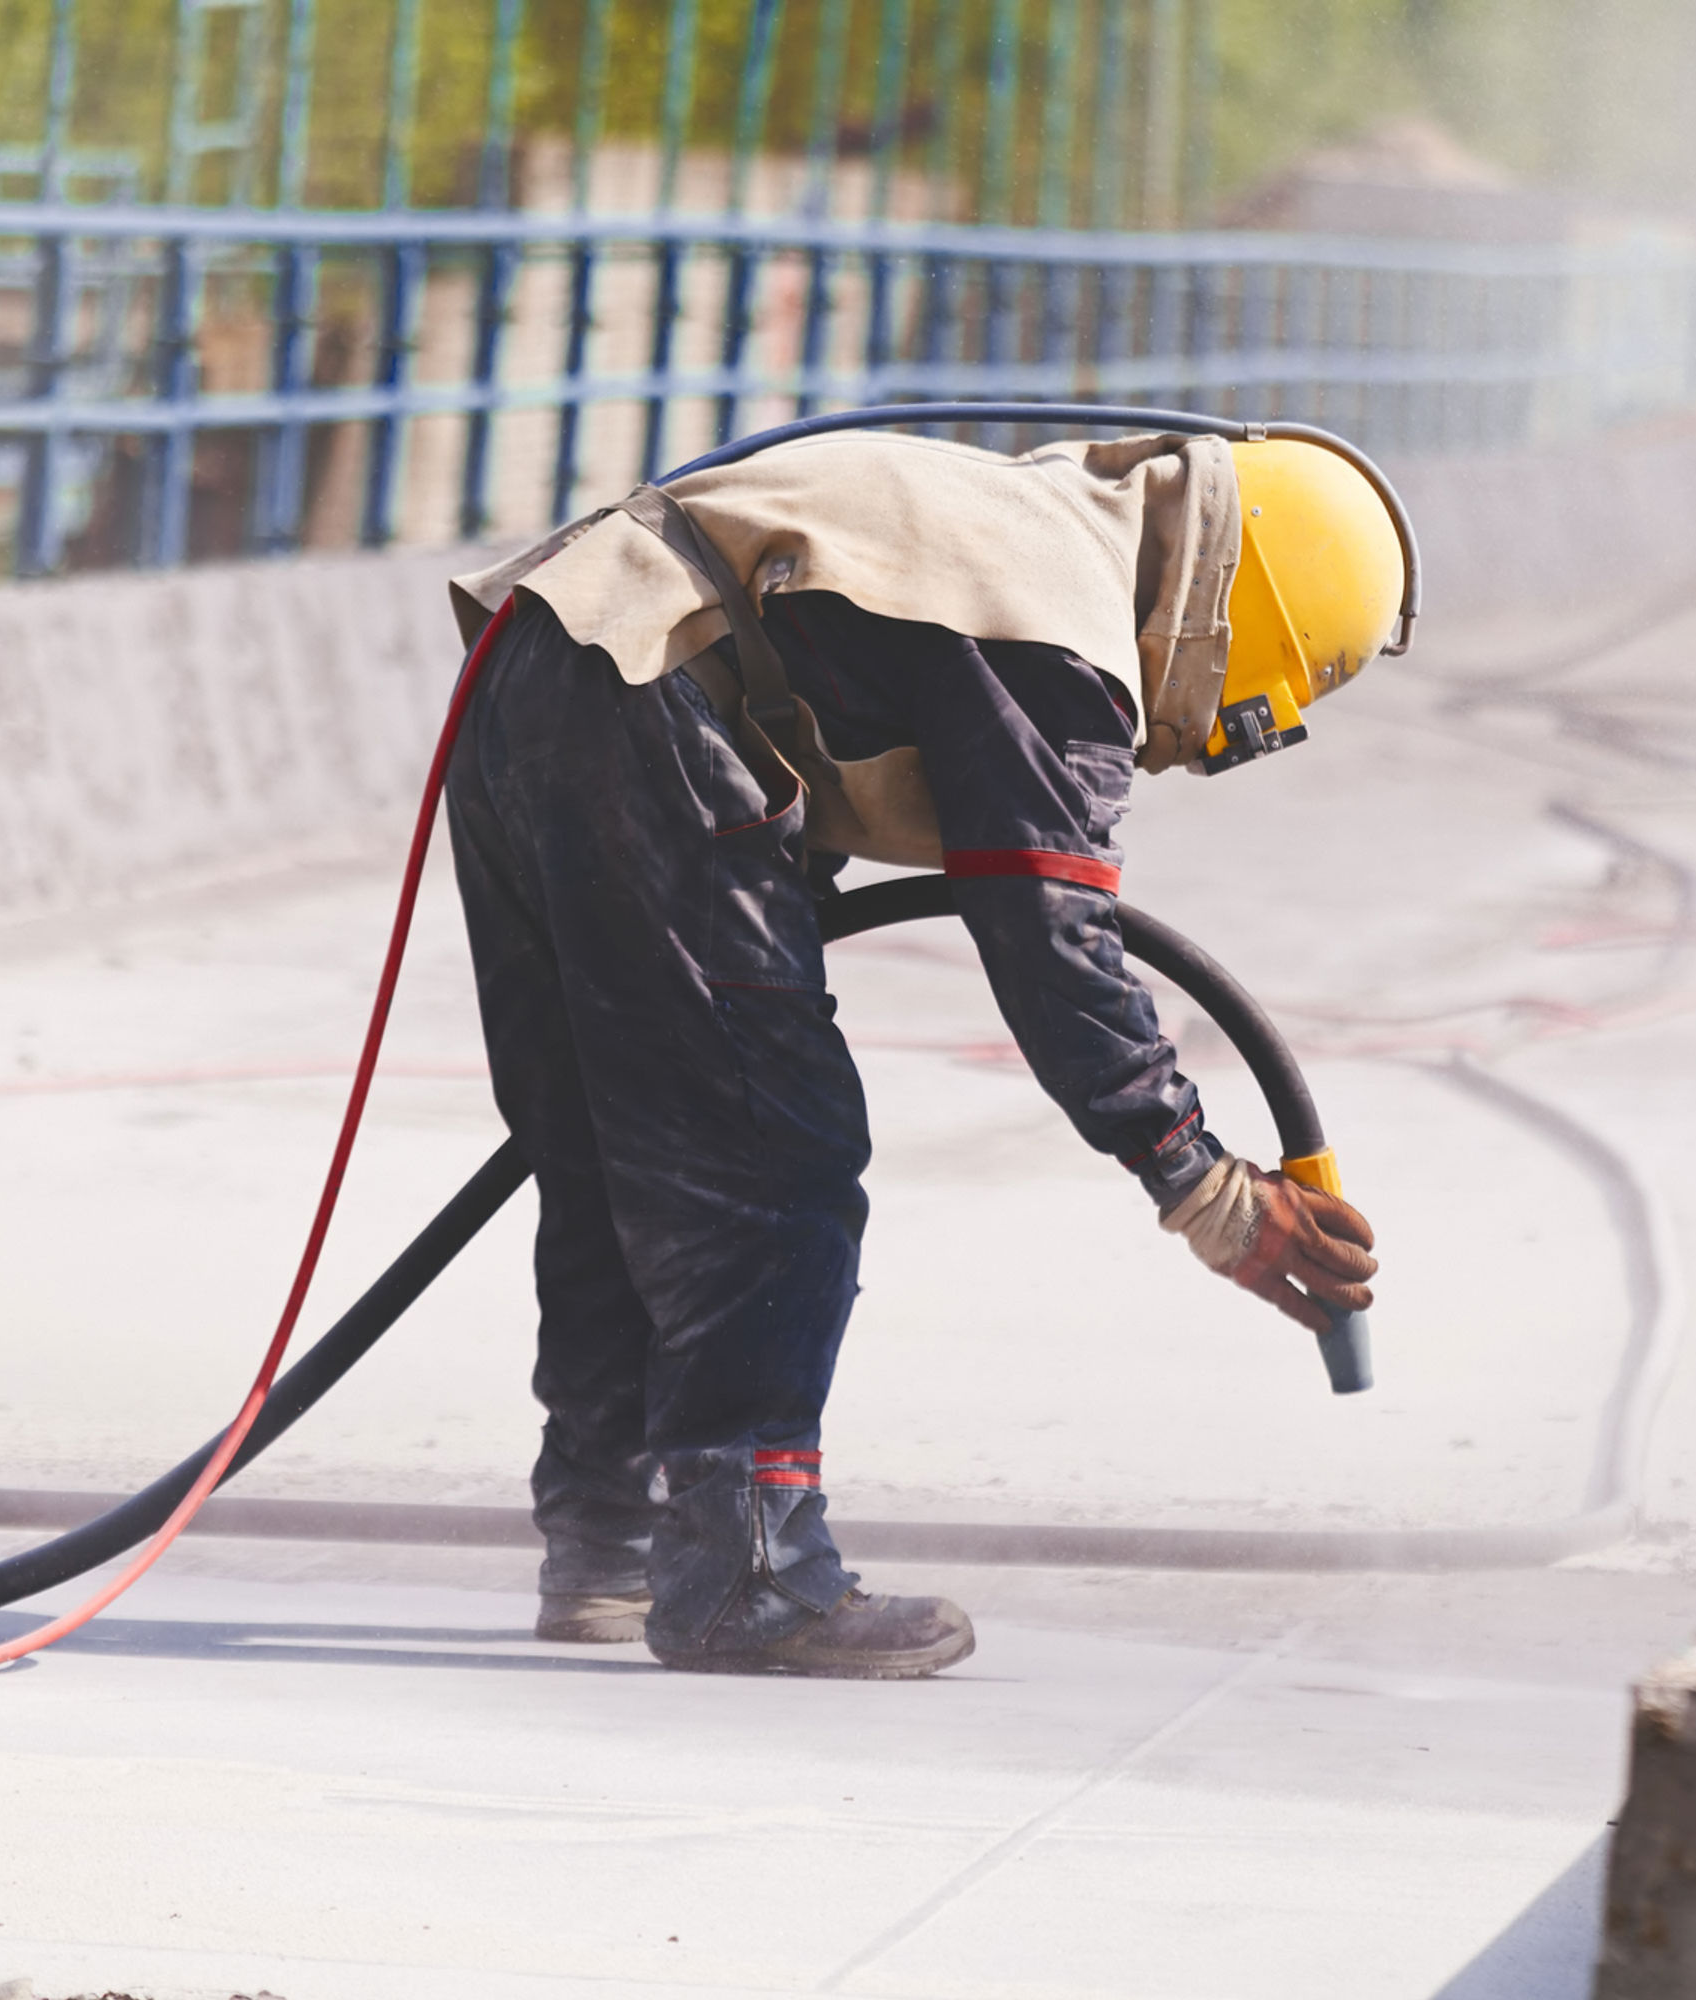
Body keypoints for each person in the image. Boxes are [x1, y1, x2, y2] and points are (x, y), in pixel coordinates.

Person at [441, 427, 1392, 1678]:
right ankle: (746, 1571)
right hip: (636, 697)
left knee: (617, 1147)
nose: (1203, 741)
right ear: (1244, 628)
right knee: (771, 1152)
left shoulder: (1019, 535)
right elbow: (1051, 931)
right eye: (1249, 717)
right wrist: (1201, 1182)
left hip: (544, 663)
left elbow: (805, 679)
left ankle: (609, 1538)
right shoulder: (1060, 623)